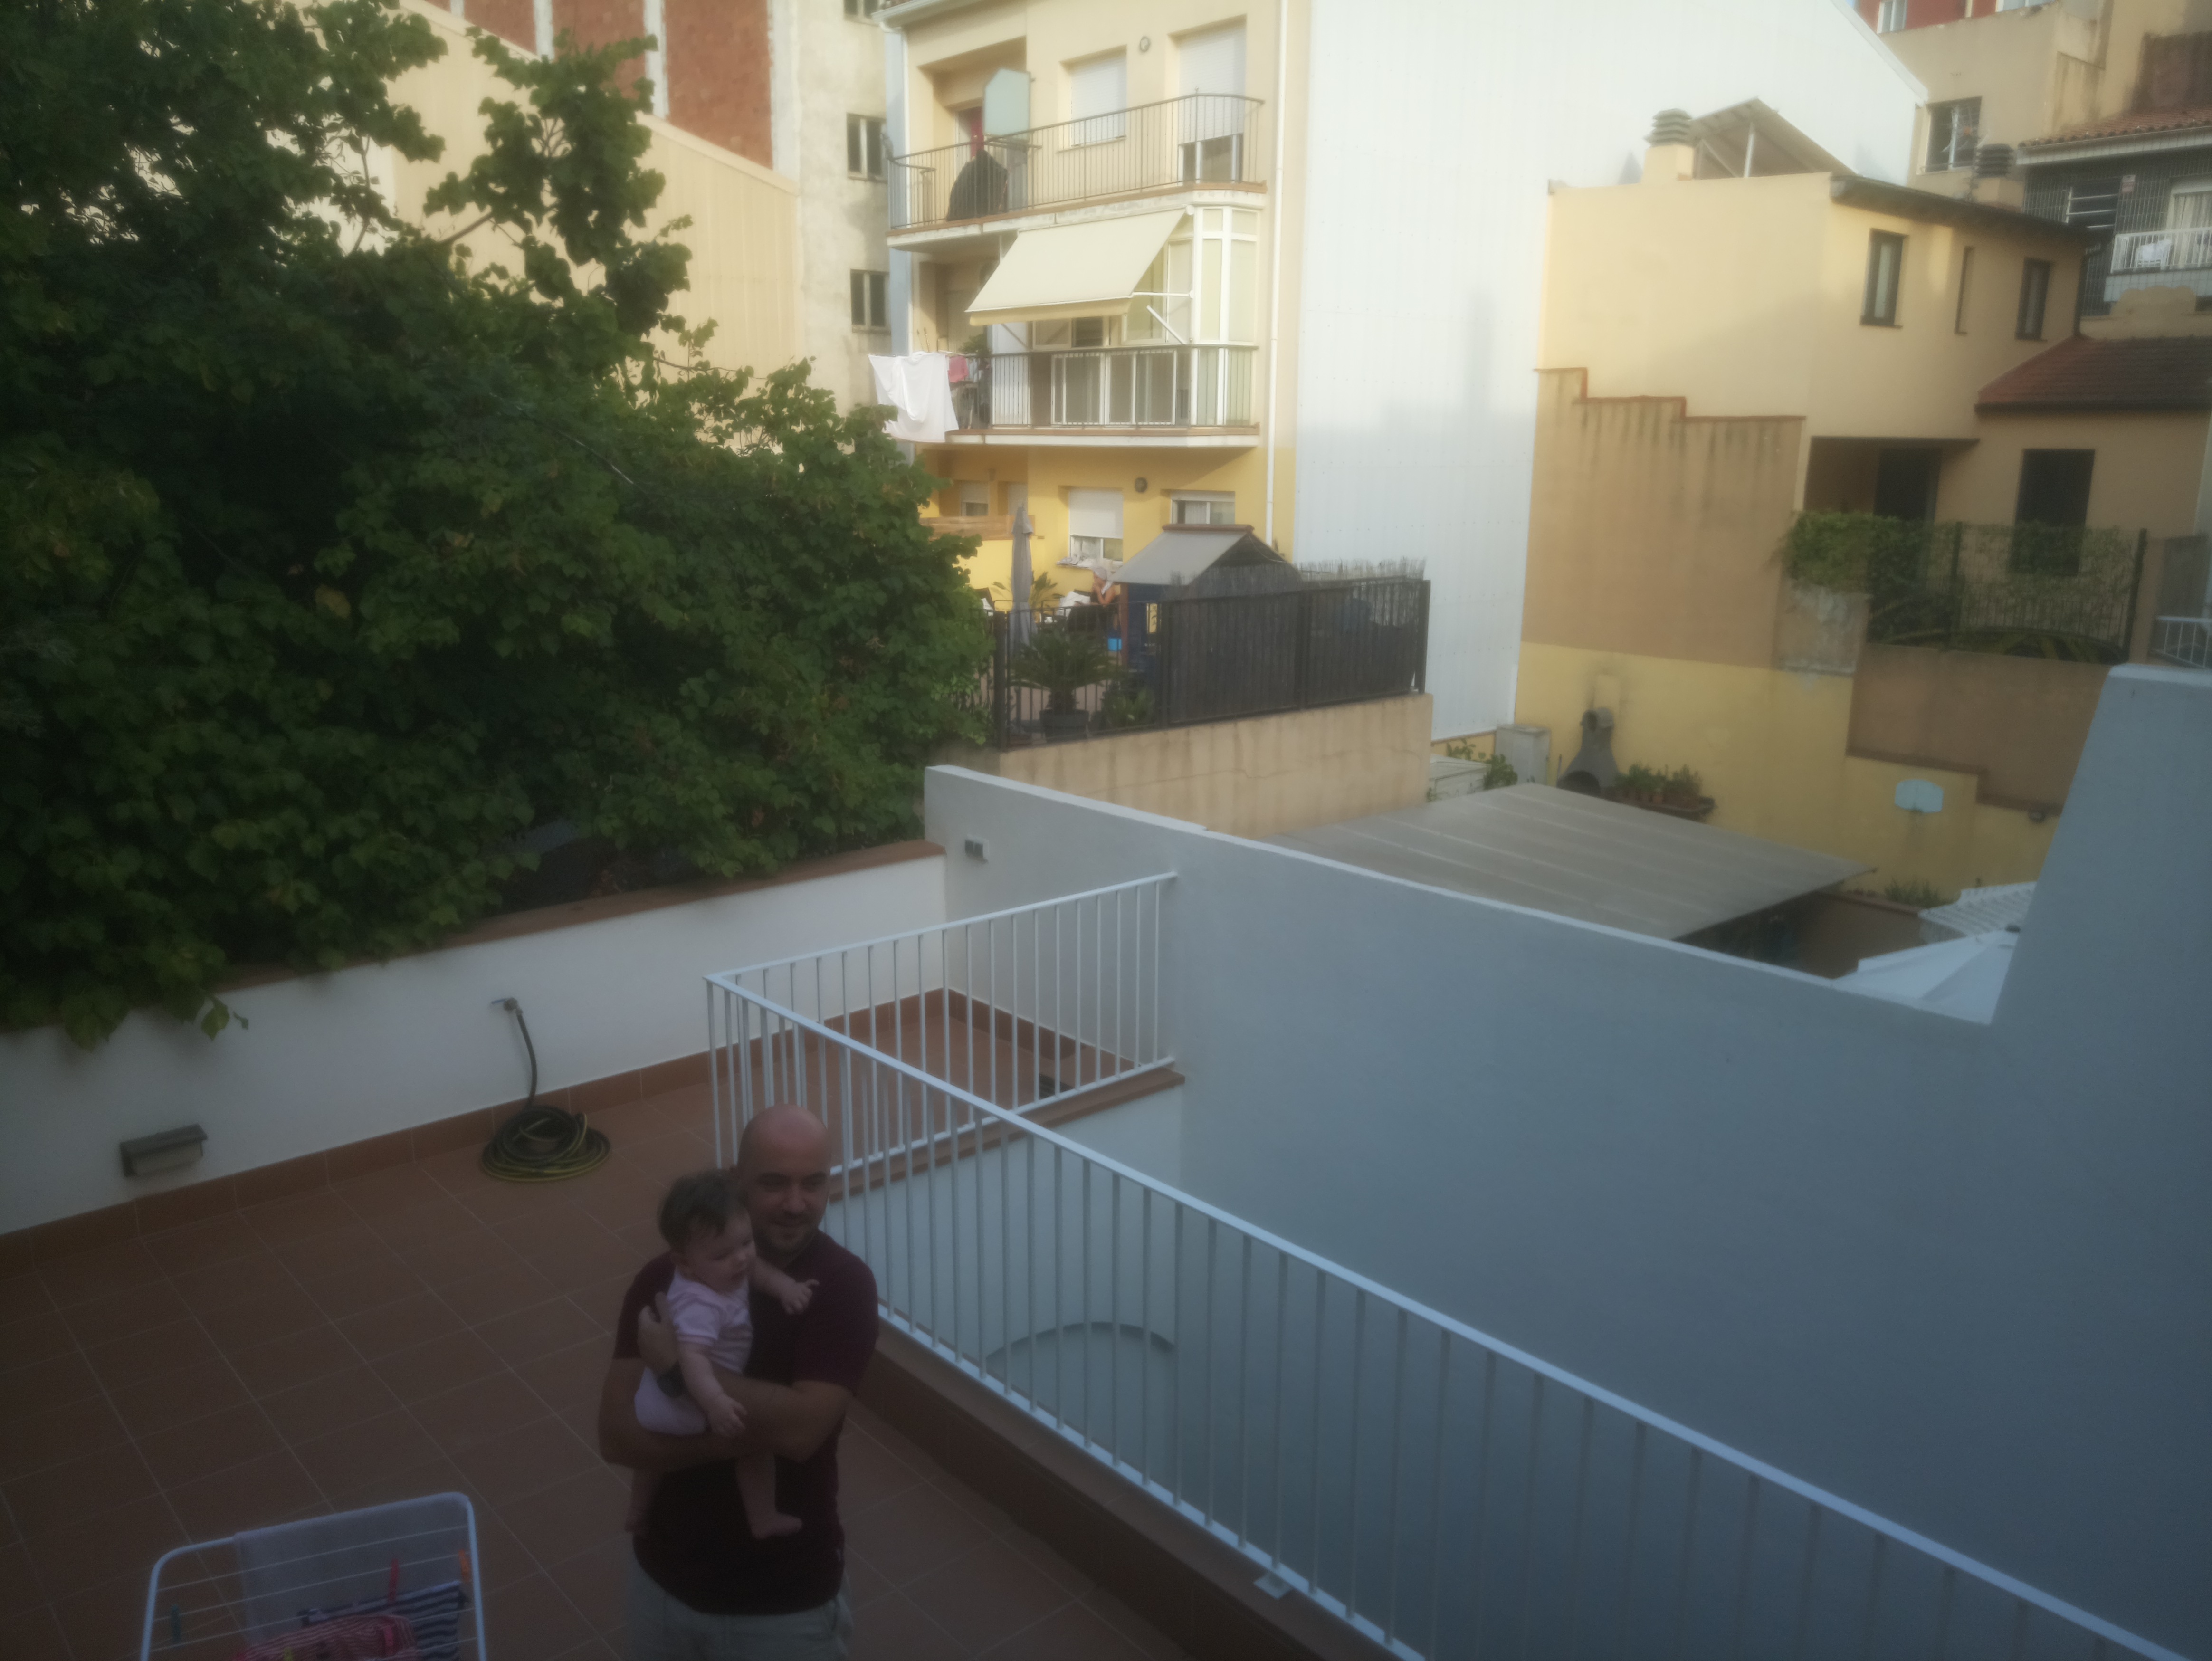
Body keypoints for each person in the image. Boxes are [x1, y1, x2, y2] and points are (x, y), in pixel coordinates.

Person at [598, 1106, 878, 1661]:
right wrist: (744, 1436)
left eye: (813, 1182)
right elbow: (616, 1436)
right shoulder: (666, 1278)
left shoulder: (842, 1287)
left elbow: (801, 1432)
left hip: (785, 1602)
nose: (796, 1203)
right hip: (664, 1585)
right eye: (774, 1182)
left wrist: (676, 1369)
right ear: (736, 1180)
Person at [624, 1170, 815, 1542]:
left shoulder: (717, 1270)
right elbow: (692, 1359)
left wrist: (785, 1287)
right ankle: (763, 1517)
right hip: (689, 1401)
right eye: (724, 1254)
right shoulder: (701, 1304)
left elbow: (756, 1271)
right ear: (684, 1263)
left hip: (653, 1399)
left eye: (746, 1242)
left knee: (650, 1461)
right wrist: (714, 1403)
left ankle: (638, 1511)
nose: (741, 1259)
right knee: (754, 1447)